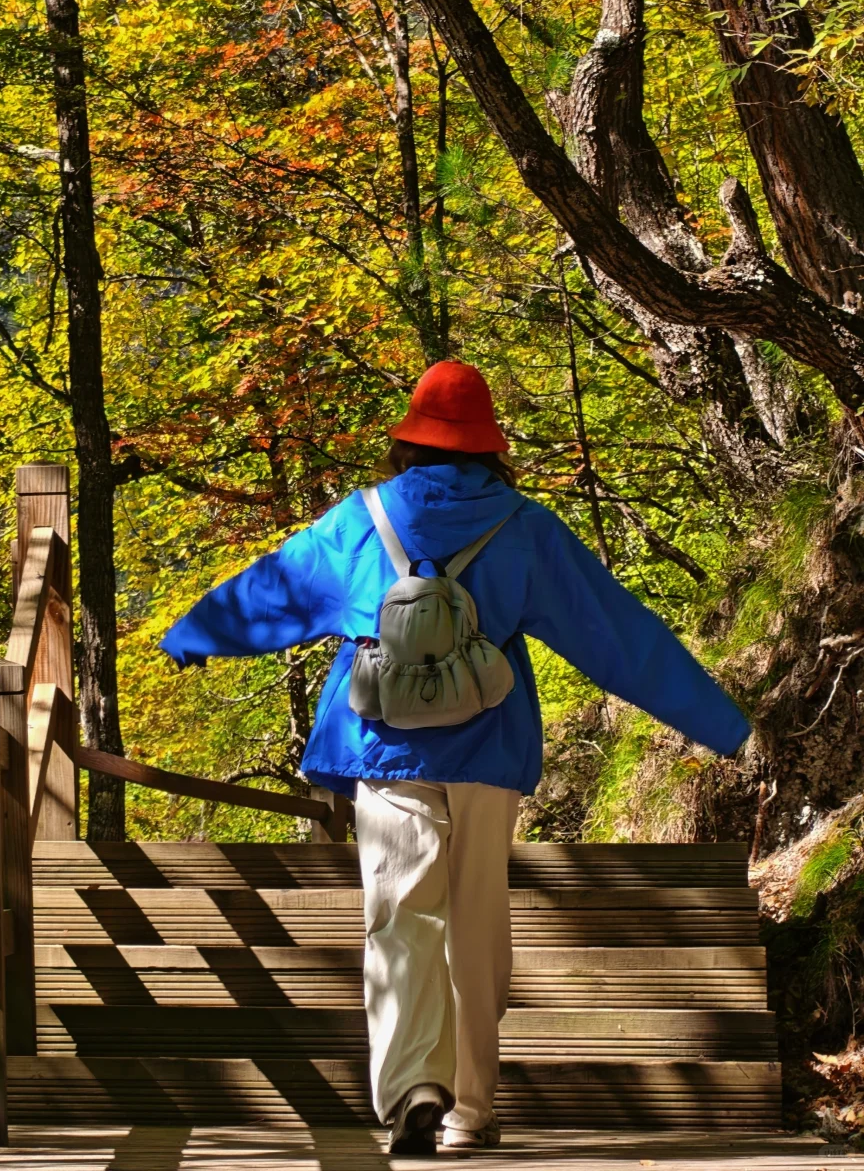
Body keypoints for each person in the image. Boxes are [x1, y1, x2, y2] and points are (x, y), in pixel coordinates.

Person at [160, 361, 750, 1157]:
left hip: (384, 744)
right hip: (488, 748)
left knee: (399, 918)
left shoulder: (363, 519)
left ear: (410, 439)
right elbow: (617, 634)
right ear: (490, 445)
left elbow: (277, 589)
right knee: (476, 925)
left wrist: (196, 633)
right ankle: (470, 1110)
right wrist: (724, 724)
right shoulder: (524, 527)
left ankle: (414, 1088)